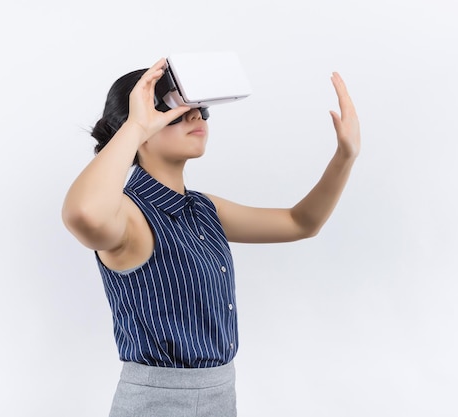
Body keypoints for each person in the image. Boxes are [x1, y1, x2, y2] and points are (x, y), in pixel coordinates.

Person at [61, 57, 361, 417]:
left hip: (220, 396)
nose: (196, 116)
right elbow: (82, 214)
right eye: (174, 106)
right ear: (136, 125)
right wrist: (136, 127)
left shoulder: (203, 210)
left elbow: (301, 223)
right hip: (157, 405)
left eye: (201, 108)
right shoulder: (127, 215)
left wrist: (345, 157)